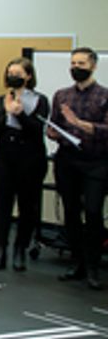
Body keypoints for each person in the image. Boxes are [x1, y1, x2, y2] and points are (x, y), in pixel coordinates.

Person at [49, 47, 108, 290]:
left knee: (93, 212)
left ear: (93, 66)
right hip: (67, 160)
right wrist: (52, 132)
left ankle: (94, 266)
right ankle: (78, 263)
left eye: (81, 63)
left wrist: (80, 124)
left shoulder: (105, 96)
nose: (76, 67)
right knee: (70, 212)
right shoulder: (62, 95)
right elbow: (53, 124)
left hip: (96, 162)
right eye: (73, 63)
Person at [0, 57, 49, 272]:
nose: (13, 76)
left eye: (18, 73)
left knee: (27, 206)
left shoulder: (40, 100)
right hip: (3, 156)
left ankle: (20, 249)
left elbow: (36, 130)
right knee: (2, 204)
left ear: (28, 76)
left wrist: (20, 114)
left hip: (30, 157)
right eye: (10, 72)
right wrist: (5, 113)